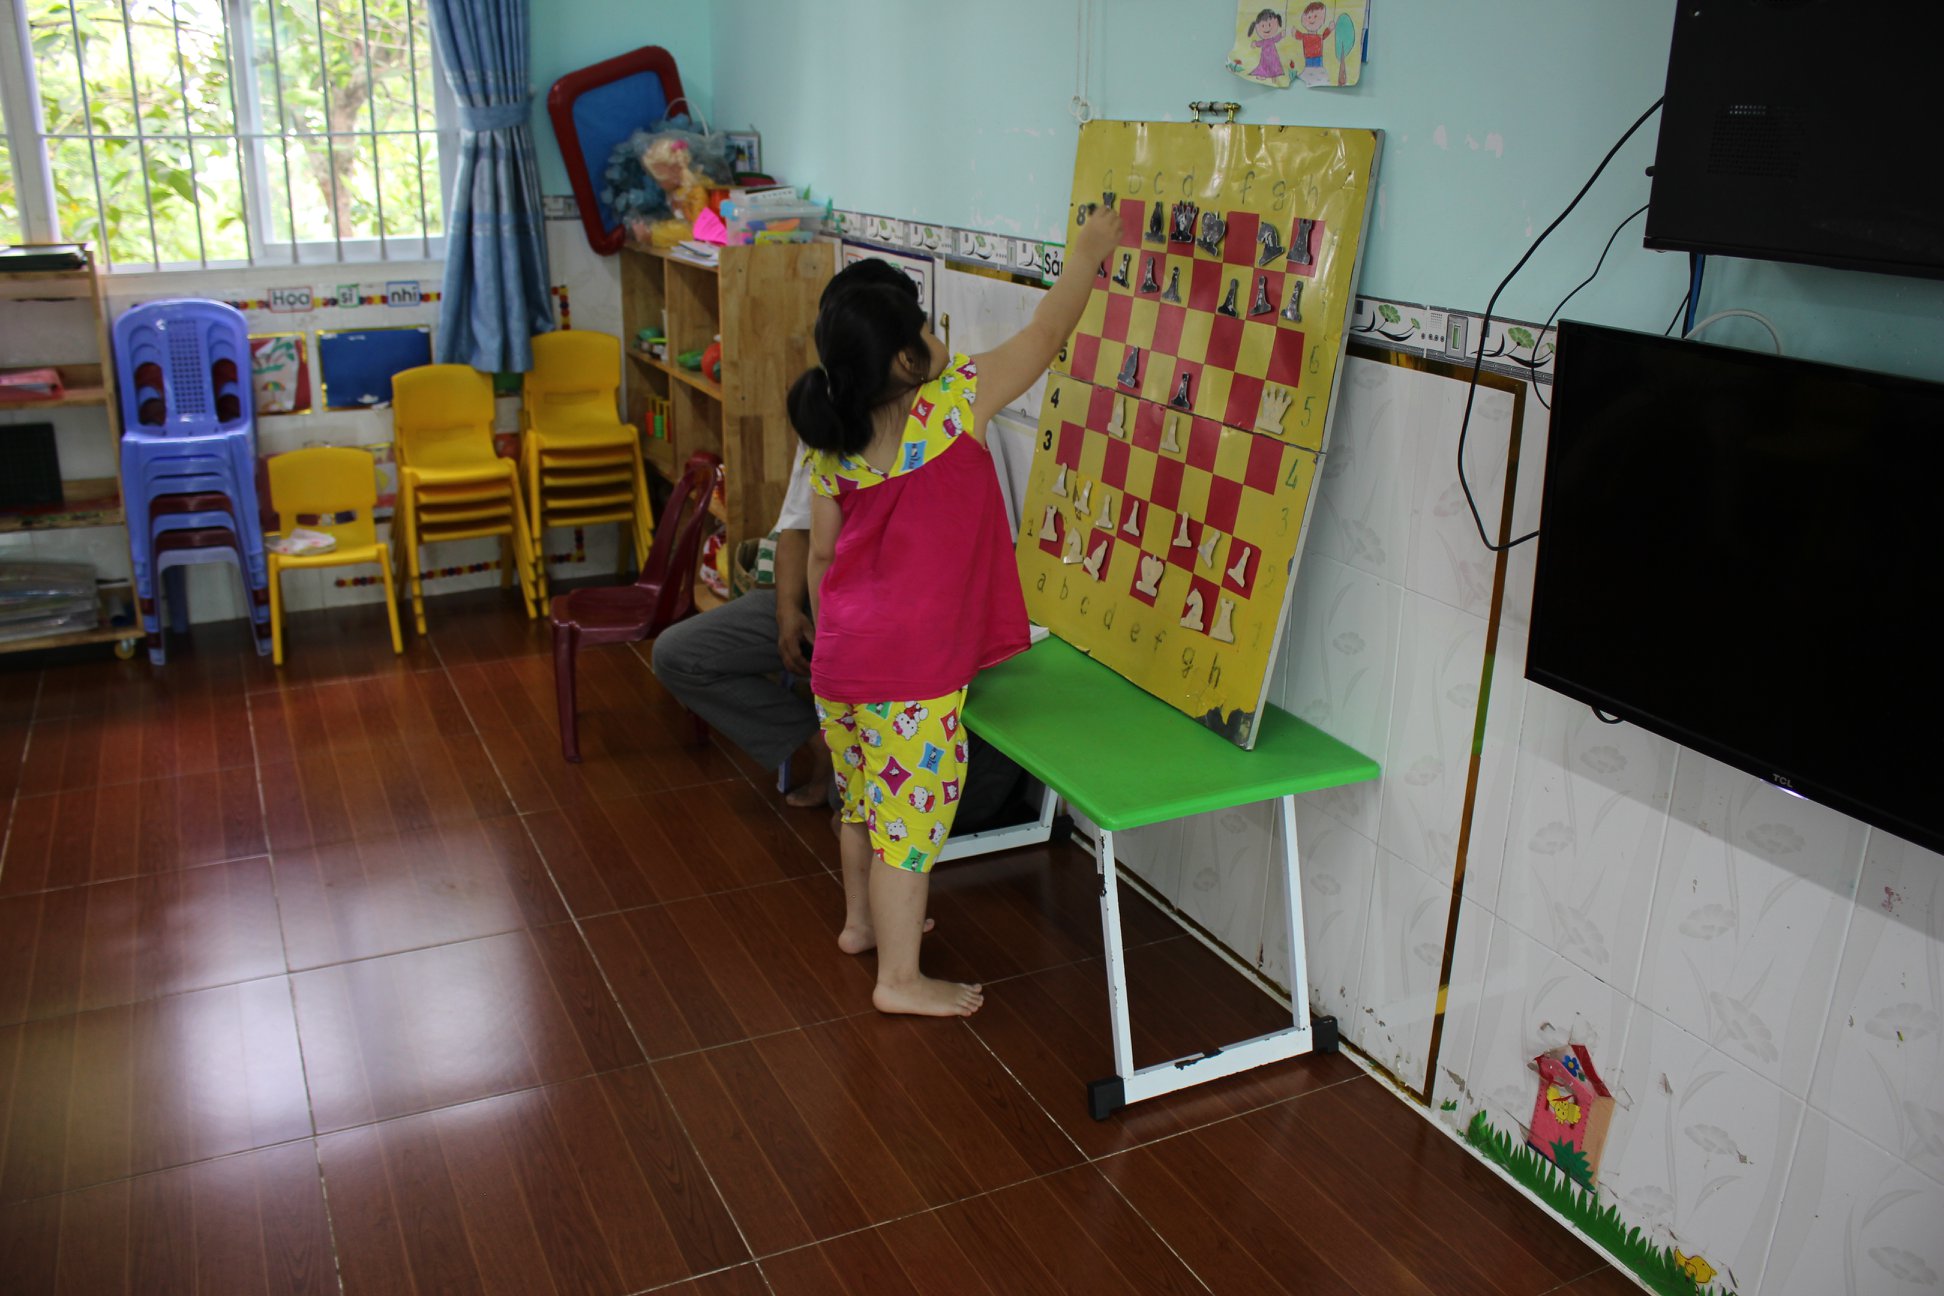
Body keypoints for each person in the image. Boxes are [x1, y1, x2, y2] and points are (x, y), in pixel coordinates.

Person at [787, 203, 1123, 1017]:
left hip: (843, 665)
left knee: (860, 803)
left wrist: (832, 636)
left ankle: (861, 925)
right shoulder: (952, 404)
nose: (938, 335)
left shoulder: (832, 441)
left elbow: (823, 558)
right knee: (910, 833)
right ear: (908, 358)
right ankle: (900, 980)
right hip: (913, 676)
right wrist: (1087, 251)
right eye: (924, 328)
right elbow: (1047, 332)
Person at [649, 457, 830, 807]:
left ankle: (842, 771)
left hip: (868, 616)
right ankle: (818, 741)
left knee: (850, 814)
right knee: (676, 654)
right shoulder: (818, 434)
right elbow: (796, 529)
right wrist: (787, 612)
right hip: (812, 600)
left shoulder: (924, 438)